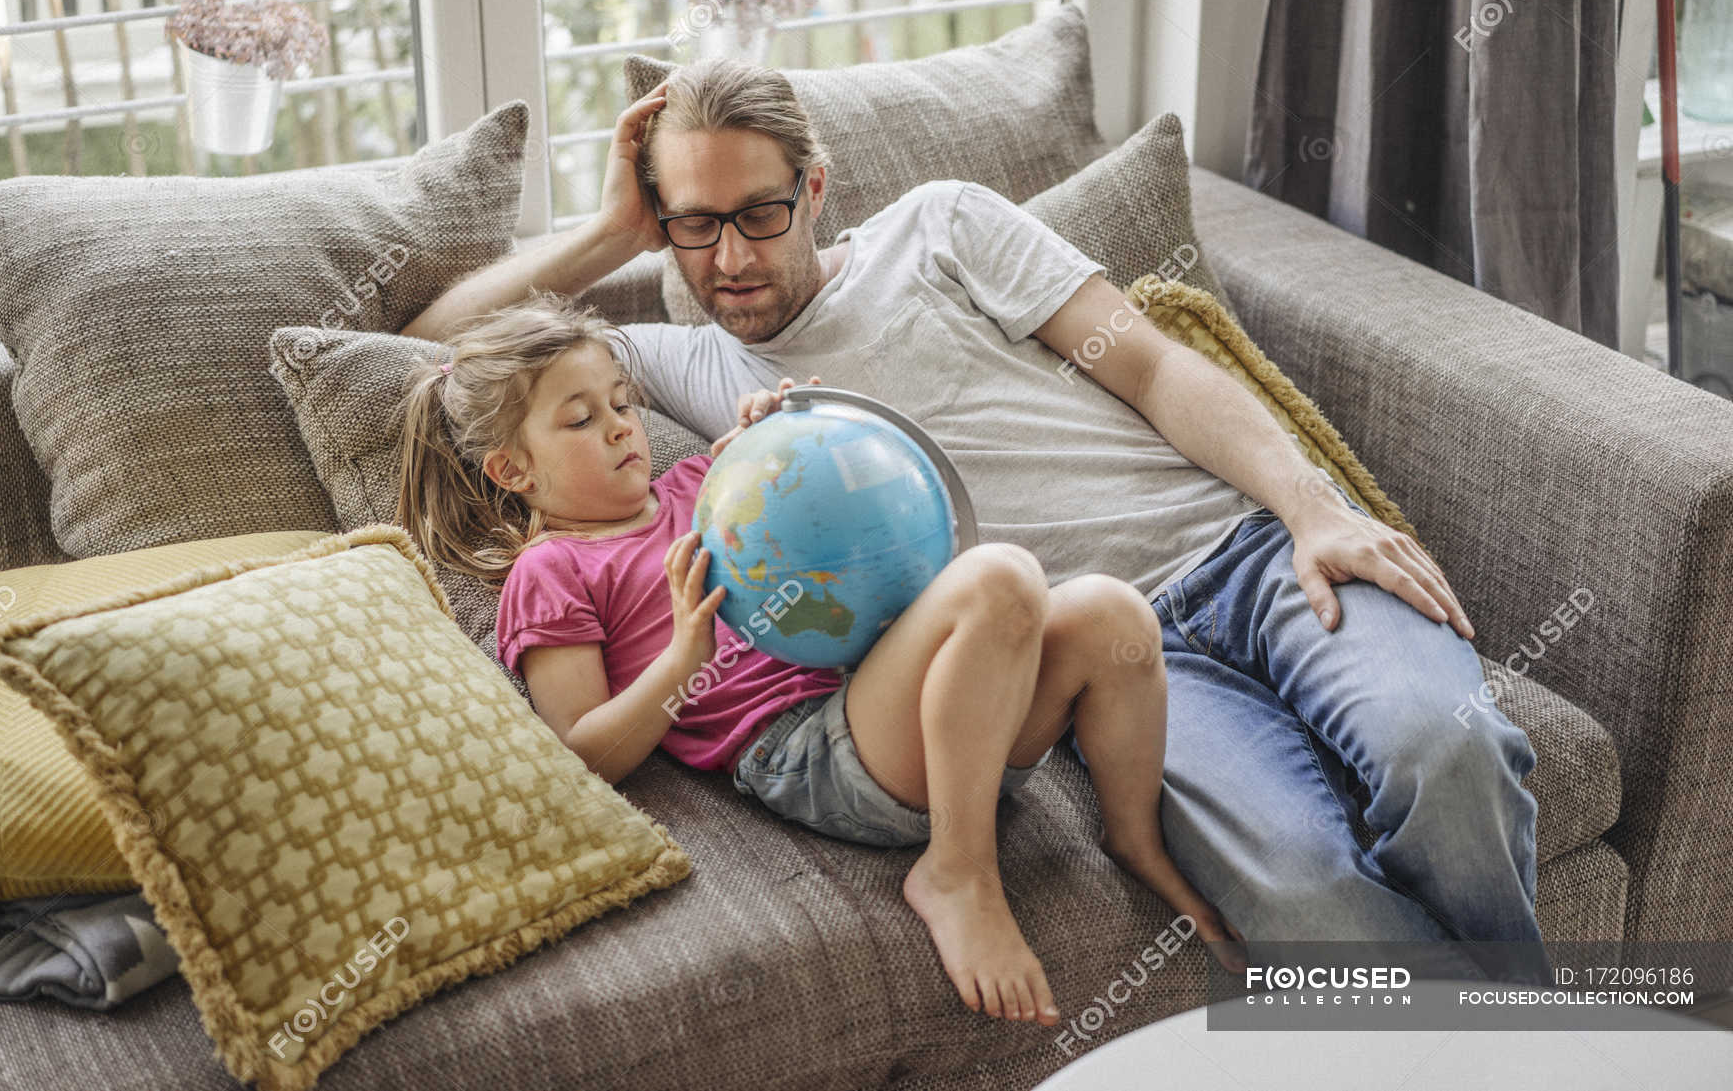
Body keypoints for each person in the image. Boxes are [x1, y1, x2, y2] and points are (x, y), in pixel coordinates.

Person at [403, 60, 1551, 987]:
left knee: (1447, 752)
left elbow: (1152, 367)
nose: (734, 258)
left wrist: (1309, 508)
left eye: (758, 212)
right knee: (1303, 894)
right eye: (695, 226)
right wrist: (616, 228)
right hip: (1102, 649)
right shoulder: (689, 368)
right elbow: (438, 340)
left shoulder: (941, 227)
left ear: (814, 187)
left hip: (1246, 550)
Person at [393, 294, 1235, 1026]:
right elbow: (581, 754)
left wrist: (798, 438)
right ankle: (957, 871)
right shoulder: (552, 573)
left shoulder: (702, 480)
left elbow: (825, 512)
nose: (621, 426)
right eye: (580, 419)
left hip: (920, 718)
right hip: (817, 750)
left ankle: (1134, 839)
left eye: (622, 401)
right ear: (512, 468)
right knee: (1003, 579)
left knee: (1109, 611)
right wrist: (686, 655)